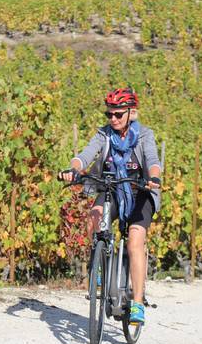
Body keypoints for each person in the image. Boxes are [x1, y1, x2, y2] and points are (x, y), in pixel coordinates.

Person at [59, 88, 161, 324]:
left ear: (131, 113)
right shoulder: (103, 135)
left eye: (118, 114)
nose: (113, 119)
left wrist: (154, 178)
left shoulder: (144, 135)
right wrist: (73, 168)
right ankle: (99, 268)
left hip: (141, 192)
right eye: (109, 114)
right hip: (112, 190)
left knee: (135, 239)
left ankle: (137, 302)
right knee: (94, 217)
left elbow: (153, 162)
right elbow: (84, 156)